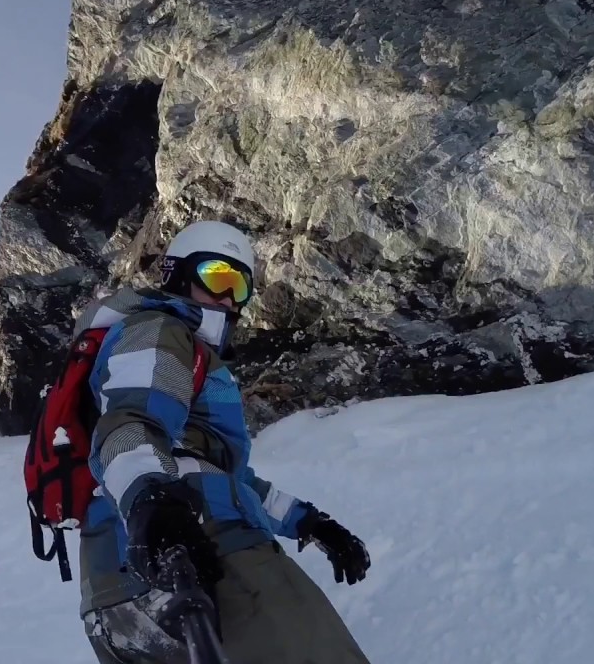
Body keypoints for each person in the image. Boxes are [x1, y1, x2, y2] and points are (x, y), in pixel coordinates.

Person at [72, 220, 373, 663]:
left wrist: (310, 523)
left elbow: (222, 478)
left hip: (117, 593)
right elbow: (130, 422)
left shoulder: (178, 351)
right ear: (178, 274)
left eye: (239, 288)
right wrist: (151, 502)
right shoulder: (160, 330)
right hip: (205, 556)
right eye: (217, 278)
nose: (228, 300)